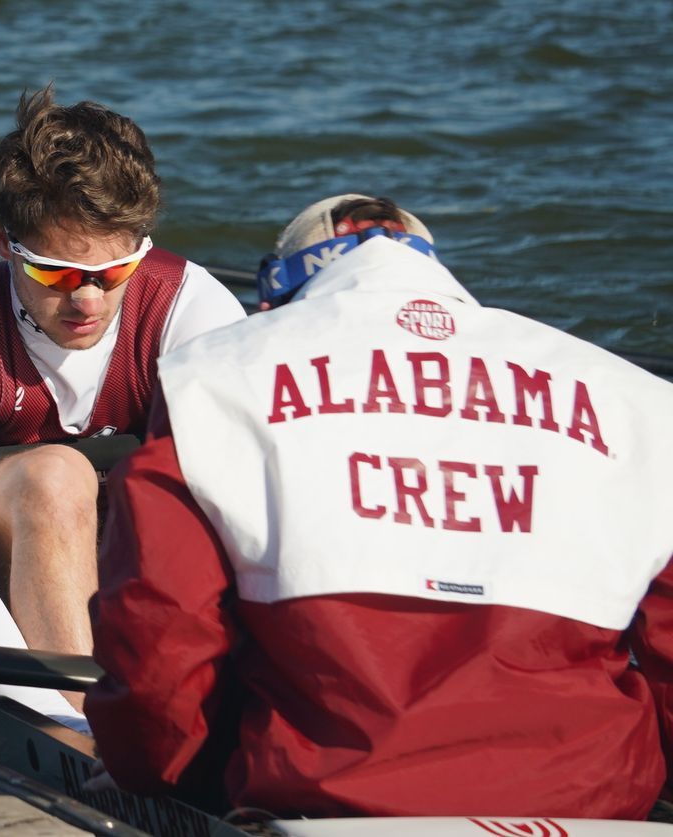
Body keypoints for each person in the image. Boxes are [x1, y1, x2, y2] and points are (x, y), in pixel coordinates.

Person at [86, 194, 673, 817]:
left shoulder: (210, 379)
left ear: (277, 296)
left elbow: (162, 641)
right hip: (596, 803)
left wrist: (147, 774)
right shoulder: (640, 403)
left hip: (329, 802)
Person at [0, 87, 242, 730]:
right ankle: (90, 721)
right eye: (56, 275)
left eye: (115, 272)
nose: (89, 301)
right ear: (1, 238)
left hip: (130, 564)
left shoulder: (194, 311)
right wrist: (60, 729)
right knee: (55, 475)